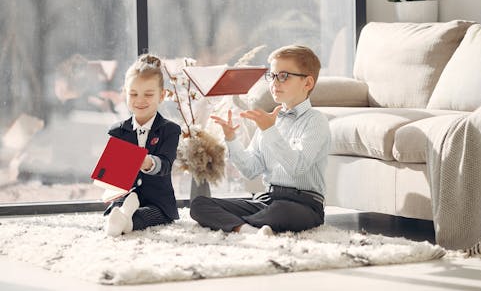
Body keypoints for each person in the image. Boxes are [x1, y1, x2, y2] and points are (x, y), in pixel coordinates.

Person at [190, 45, 330, 235]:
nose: (274, 83)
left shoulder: (316, 121)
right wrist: (231, 139)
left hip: (304, 204)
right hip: (268, 200)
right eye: (272, 76)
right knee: (199, 205)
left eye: (283, 76)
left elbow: (297, 167)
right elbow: (250, 170)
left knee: (280, 212)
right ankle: (249, 229)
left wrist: (269, 130)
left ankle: (238, 225)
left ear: (307, 83)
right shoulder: (270, 121)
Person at [103, 54, 181, 237]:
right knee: (116, 210)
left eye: (148, 94)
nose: (140, 100)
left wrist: (147, 162)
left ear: (162, 96)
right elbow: (113, 178)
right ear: (125, 94)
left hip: (157, 202)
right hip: (123, 197)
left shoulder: (170, 130)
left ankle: (125, 221)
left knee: (143, 217)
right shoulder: (117, 131)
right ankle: (120, 218)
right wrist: (108, 172)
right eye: (133, 94)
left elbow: (166, 165)